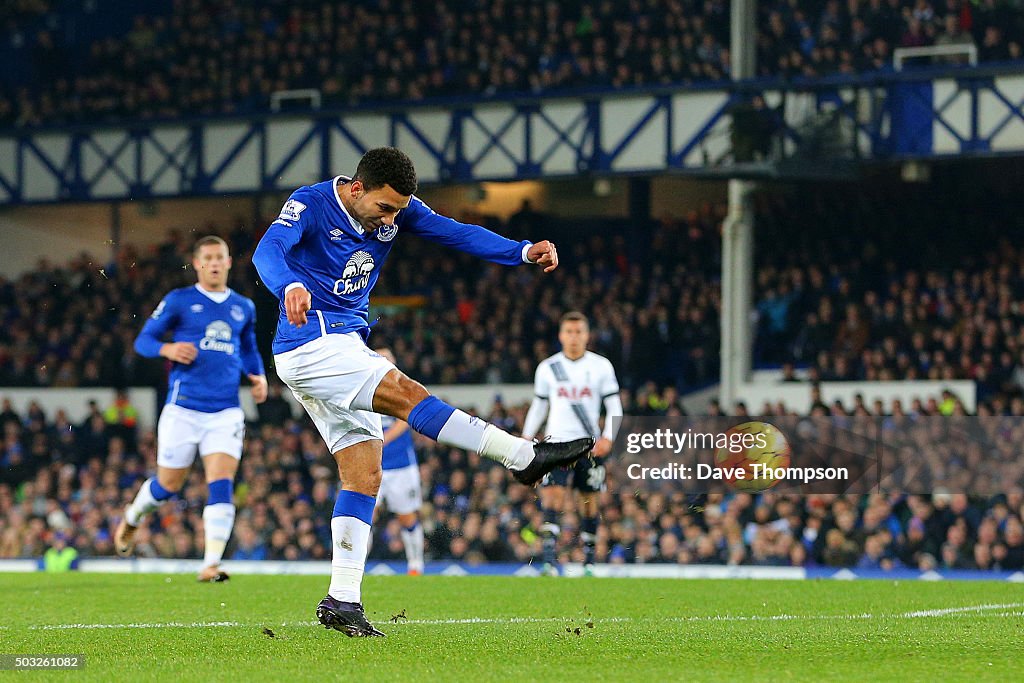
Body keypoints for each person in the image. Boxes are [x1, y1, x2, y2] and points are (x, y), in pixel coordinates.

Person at [251, 147, 593, 637]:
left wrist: (520, 250)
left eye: (398, 210)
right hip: (312, 343)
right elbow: (267, 251)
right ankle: (523, 457)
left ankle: (342, 599)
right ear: (355, 189)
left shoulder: (399, 211)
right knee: (407, 392)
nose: (390, 219)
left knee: (364, 474)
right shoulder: (311, 203)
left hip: (342, 343)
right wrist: (287, 285)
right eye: (384, 208)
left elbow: (456, 232)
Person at [115, 236, 267, 583]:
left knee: (222, 483)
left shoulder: (243, 306)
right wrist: (167, 350)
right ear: (197, 264)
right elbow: (144, 341)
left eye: (220, 257)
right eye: (208, 258)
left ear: (229, 262)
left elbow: (248, 348)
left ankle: (211, 563)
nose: (214, 263)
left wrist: (257, 375)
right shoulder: (179, 301)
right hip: (183, 409)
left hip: (226, 411)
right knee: (167, 486)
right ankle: (133, 517)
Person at [522, 311, 622, 576]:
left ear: (587, 335)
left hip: (589, 446)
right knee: (552, 498)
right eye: (569, 332)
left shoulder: (601, 366)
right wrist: (525, 435)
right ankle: (548, 561)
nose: (574, 337)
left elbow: (614, 405)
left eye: (579, 332)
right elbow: (539, 405)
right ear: (560, 335)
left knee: (588, 502)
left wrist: (609, 436)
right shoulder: (548, 367)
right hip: (556, 443)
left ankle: (589, 562)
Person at [374, 347, 425, 575]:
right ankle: (355, 568)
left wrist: (381, 440)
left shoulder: (404, 386)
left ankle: (415, 564)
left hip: (401, 465)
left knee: (406, 517)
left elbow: (407, 420)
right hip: (372, 465)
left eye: (388, 359)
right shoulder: (367, 387)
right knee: (364, 515)